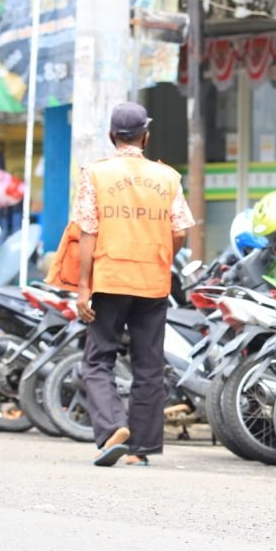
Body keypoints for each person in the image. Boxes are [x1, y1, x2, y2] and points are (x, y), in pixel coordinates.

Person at [72, 102, 195, 467]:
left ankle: (113, 427)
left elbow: (87, 232)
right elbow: (180, 232)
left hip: (110, 278)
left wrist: (83, 287)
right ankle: (140, 450)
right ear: (146, 136)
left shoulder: (95, 174)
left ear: (112, 135)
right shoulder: (167, 177)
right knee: (149, 366)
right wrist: (160, 256)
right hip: (152, 282)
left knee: (98, 360)